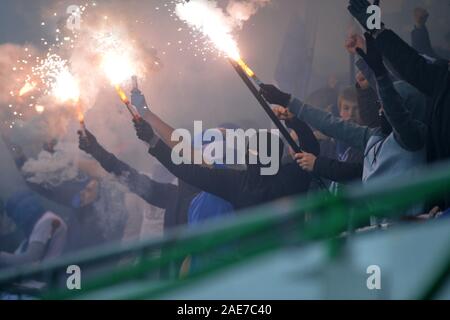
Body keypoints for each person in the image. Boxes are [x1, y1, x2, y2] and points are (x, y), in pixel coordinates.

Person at [260, 33, 428, 218]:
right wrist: (287, 100)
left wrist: (377, 71)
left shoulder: (413, 138)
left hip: (408, 231)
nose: (380, 109)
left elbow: (393, 105)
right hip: (379, 229)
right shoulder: (374, 137)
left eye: (385, 105)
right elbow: (331, 124)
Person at [347, 0, 450, 210]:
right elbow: (410, 65)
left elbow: (401, 86)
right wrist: (373, 28)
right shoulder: (443, 78)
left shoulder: (412, 132)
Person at [132, 116, 319, 211]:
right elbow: (312, 150)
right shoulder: (294, 175)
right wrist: (294, 121)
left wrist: (153, 141)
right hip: (296, 257)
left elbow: (185, 170)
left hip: (254, 264)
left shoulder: (236, 182)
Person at [0, 191, 67, 269]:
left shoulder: (48, 220)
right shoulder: (26, 241)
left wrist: (2, 257)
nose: (17, 222)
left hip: (47, 278)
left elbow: (31, 259)